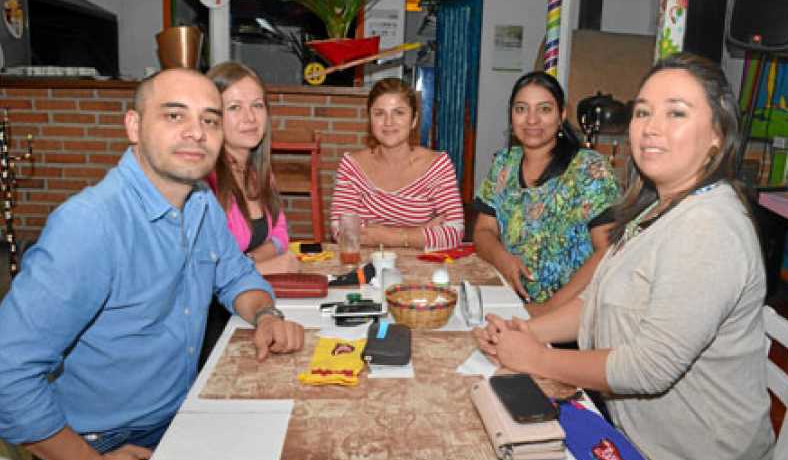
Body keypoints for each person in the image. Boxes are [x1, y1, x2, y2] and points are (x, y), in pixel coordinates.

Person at [474, 53, 774, 460]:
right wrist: (528, 330)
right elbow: (599, 299)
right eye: (643, 112)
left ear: (717, 134)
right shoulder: (657, 208)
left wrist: (536, 357)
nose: (651, 127)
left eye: (676, 112)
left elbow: (648, 368)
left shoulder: (709, 227)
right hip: (627, 432)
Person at [0, 68, 305, 460]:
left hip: (177, 421)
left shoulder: (200, 204)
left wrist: (266, 315)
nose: (196, 133)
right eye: (175, 116)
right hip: (98, 448)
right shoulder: (90, 225)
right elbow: (7, 372)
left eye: (210, 120)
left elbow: (237, 276)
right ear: (134, 125)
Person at [473, 71, 619, 317]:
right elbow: (483, 231)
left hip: (572, 316)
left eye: (544, 109)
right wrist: (503, 259)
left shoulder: (589, 169)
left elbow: (608, 250)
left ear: (561, 115)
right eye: (521, 109)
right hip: (513, 303)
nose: (532, 120)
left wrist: (548, 309)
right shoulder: (504, 164)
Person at [329, 77, 464, 251]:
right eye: (379, 113)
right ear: (370, 120)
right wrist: (420, 232)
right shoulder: (352, 166)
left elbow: (455, 231)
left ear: (414, 120)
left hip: (421, 270)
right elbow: (341, 232)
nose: (388, 122)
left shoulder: (438, 166)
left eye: (399, 113)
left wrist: (387, 236)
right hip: (364, 268)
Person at [206, 61, 298, 276]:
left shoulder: (258, 172)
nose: (250, 118)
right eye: (235, 107)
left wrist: (247, 262)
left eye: (257, 105)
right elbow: (200, 273)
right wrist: (262, 268)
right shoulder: (204, 182)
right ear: (211, 117)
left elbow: (280, 233)